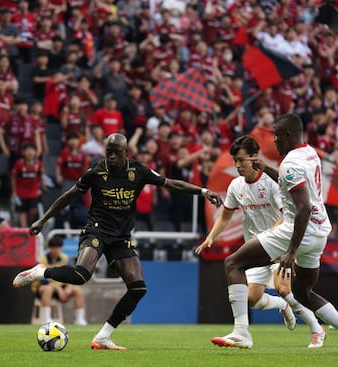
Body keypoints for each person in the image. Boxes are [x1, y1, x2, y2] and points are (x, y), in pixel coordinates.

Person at [13, 133, 223, 350]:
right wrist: (43, 220)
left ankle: (103, 336)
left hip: (121, 237)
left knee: (138, 288)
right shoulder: (96, 171)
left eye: (116, 153)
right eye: (109, 152)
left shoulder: (138, 171)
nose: (112, 157)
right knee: (81, 275)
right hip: (96, 230)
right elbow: (69, 195)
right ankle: (41, 271)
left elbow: (171, 184)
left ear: (126, 153)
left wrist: (203, 191)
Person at [209, 113, 338, 353]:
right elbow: (294, 187)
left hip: (296, 230)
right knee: (303, 293)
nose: (273, 140)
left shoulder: (289, 164)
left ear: (287, 135)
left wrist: (291, 251)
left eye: (276, 136)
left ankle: (241, 333)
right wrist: (268, 170)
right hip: (319, 232)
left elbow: (303, 208)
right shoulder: (310, 153)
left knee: (233, 263)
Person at [195, 136, 326, 348]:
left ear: (254, 157)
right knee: (251, 299)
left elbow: (287, 215)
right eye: (235, 161)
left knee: (284, 288)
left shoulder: (272, 183)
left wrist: (271, 234)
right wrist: (211, 237)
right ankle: (281, 306)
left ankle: (316, 329)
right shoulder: (236, 185)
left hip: (279, 243)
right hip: (256, 248)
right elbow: (226, 216)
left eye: (241, 160)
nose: (237, 165)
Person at [32, 236, 88, 325]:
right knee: (48, 289)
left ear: (61, 248)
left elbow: (71, 275)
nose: (56, 250)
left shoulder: (66, 258)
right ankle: (47, 319)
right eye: (53, 248)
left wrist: (69, 287)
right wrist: (58, 289)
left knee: (77, 290)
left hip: (61, 287)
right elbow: (42, 280)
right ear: (49, 248)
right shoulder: (41, 260)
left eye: (58, 248)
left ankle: (79, 319)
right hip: (43, 287)